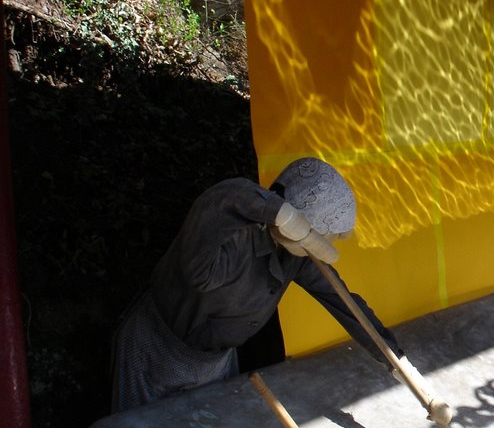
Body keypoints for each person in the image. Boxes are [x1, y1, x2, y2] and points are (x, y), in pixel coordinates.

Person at [111, 156, 444, 414]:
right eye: (319, 233)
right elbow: (225, 200)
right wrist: (277, 212)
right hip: (158, 351)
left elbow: (346, 304)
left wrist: (397, 362)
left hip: (216, 360)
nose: (323, 243)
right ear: (298, 221)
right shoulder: (232, 233)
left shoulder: (296, 256)